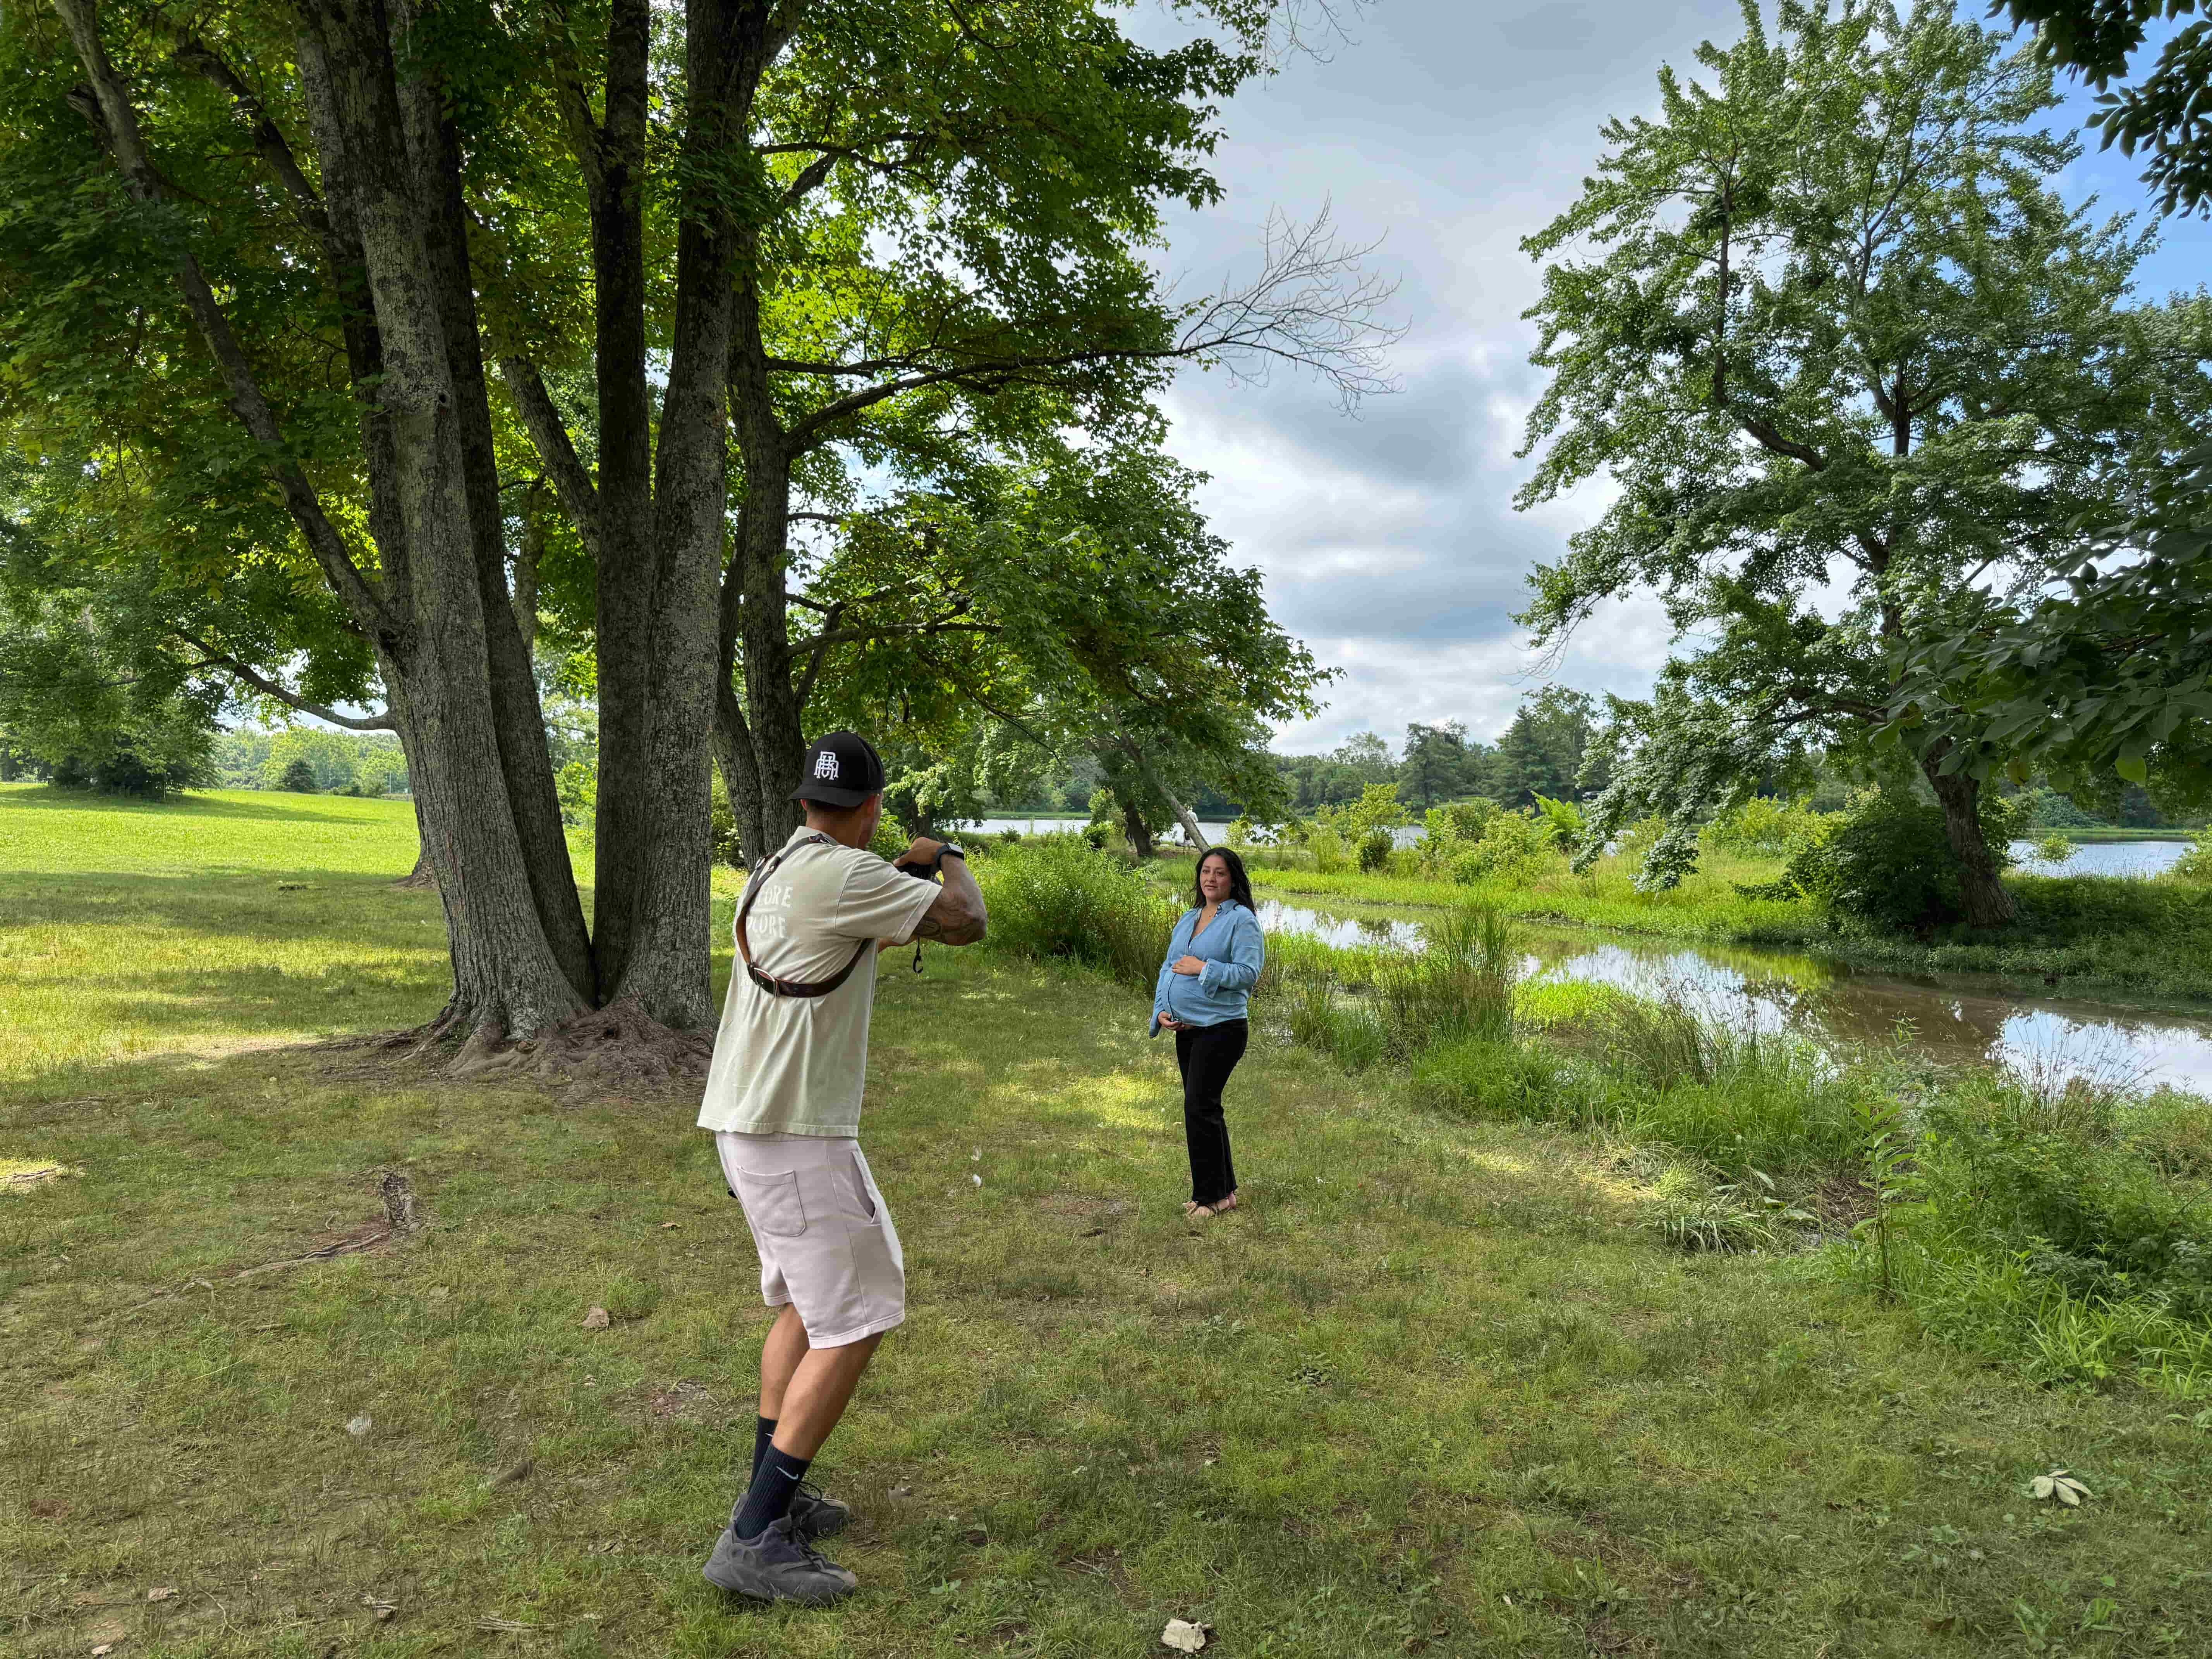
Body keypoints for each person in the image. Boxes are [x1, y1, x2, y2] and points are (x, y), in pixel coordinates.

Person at [696, 731, 987, 1606]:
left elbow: (855, 936)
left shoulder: (779, 869)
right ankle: (754, 1538)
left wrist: (898, 876)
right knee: (857, 1319)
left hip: (748, 1125)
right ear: (870, 808)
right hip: (796, 1135)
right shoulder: (853, 875)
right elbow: (967, 921)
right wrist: (946, 859)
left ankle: (771, 1499)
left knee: (803, 1306)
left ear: (804, 803)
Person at [1150, 846, 1264, 1220]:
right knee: (1206, 1108)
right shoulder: (1190, 918)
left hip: (1223, 1028)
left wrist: (1203, 967)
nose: (1211, 879)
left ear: (1233, 880)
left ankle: (1210, 1198)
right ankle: (1224, 1193)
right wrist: (1162, 1012)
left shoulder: (1242, 920)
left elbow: (1248, 974)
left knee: (1199, 1107)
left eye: (1220, 873)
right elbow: (1169, 967)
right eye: (1206, 872)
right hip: (1189, 1029)